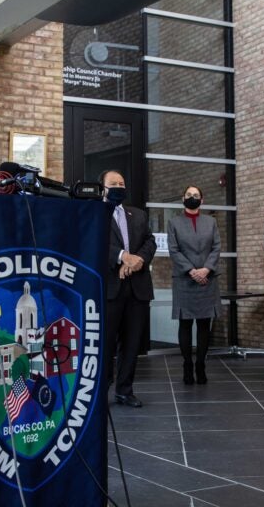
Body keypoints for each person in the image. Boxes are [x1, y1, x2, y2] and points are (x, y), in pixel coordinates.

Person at [102, 170, 156, 407]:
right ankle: (101, 391)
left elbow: (150, 241)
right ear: (102, 187)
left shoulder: (138, 214)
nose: (118, 186)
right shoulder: (95, 214)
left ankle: (125, 390)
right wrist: (123, 257)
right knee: (106, 342)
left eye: (121, 183)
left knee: (132, 343)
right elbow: (98, 243)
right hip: (110, 288)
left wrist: (137, 261)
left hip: (137, 288)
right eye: (113, 183)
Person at [167, 185, 221, 385]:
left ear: (202, 200)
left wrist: (206, 269)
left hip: (208, 279)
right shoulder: (173, 222)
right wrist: (191, 271)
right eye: (189, 194)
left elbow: (216, 247)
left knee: (204, 324)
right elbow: (174, 250)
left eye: (196, 195)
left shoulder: (211, 222)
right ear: (183, 198)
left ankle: (201, 364)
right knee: (185, 323)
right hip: (184, 279)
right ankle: (187, 364)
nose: (192, 197)